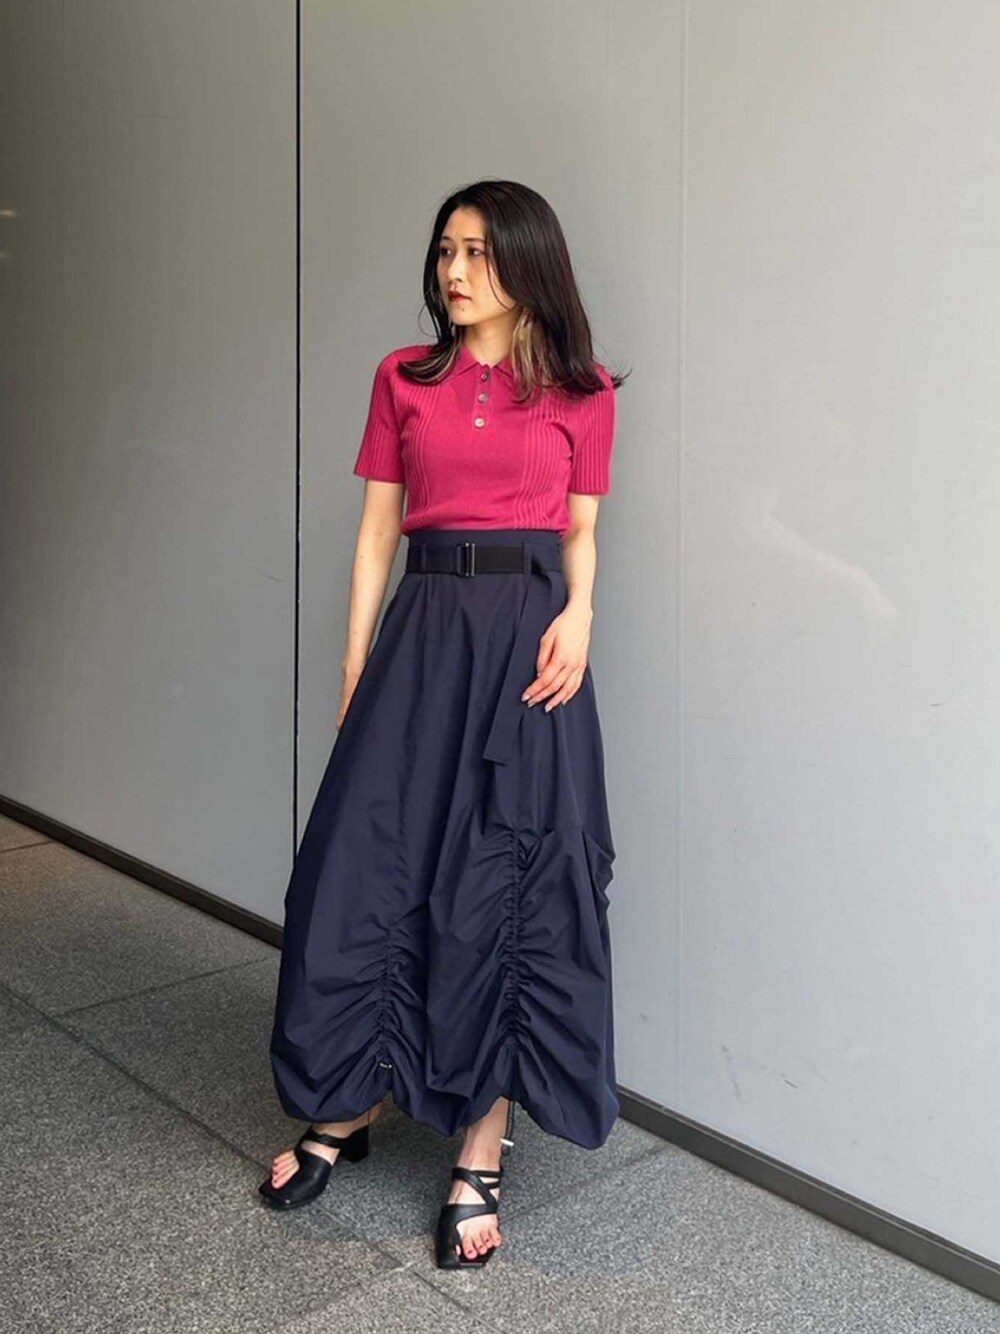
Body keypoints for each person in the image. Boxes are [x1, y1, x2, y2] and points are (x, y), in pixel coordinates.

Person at [259, 179, 626, 1270]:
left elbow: (582, 531)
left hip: (527, 647)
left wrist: (580, 616)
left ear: (527, 263)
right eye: (444, 251)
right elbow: (378, 530)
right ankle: (349, 1100)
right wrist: (356, 657)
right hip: (421, 636)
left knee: (507, 882)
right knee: (367, 867)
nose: (454, 271)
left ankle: (480, 1146)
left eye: (476, 252)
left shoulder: (583, 393)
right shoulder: (403, 379)